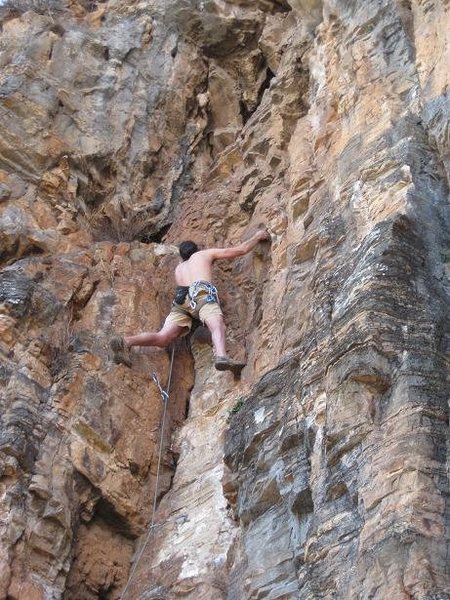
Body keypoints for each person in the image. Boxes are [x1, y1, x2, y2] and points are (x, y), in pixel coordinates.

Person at [110, 228, 270, 375]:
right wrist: (257, 237)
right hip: (201, 292)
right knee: (217, 324)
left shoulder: (179, 268)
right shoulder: (204, 255)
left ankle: (126, 341)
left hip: (181, 300)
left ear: (182, 255)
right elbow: (240, 250)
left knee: (163, 337)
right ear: (196, 250)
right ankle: (221, 355)